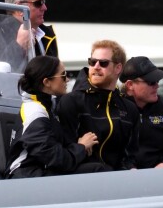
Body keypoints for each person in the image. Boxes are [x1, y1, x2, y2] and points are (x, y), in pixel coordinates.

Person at [4, 56, 107, 179]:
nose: (67, 79)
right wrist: (81, 147)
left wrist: (79, 146)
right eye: (63, 76)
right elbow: (56, 158)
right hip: (26, 178)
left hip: (39, 173)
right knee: (97, 170)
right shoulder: (34, 111)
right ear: (47, 82)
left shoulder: (47, 107)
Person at [57, 40, 140, 171]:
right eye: (92, 62)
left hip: (118, 181)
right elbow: (63, 153)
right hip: (80, 178)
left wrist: (130, 169)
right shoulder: (71, 101)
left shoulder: (129, 109)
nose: (96, 66)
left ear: (118, 68)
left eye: (103, 63)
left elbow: (130, 155)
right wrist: (81, 147)